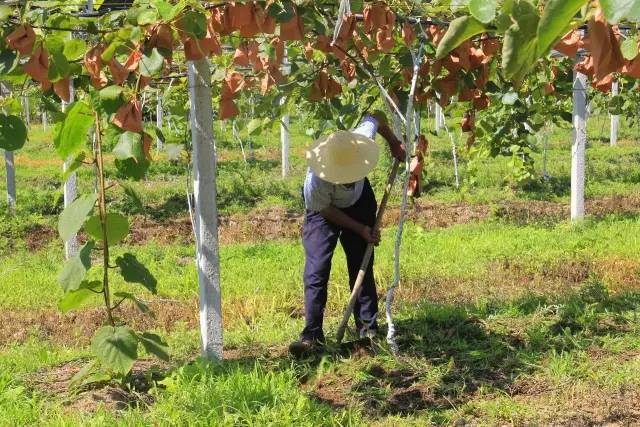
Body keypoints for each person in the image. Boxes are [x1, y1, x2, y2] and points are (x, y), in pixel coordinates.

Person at [289, 112, 405, 356]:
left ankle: (367, 328)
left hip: (359, 202)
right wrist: (360, 228)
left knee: (361, 261)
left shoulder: (359, 138)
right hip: (324, 212)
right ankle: (312, 334)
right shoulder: (316, 182)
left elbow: (374, 116)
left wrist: (394, 143)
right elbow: (326, 210)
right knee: (317, 268)